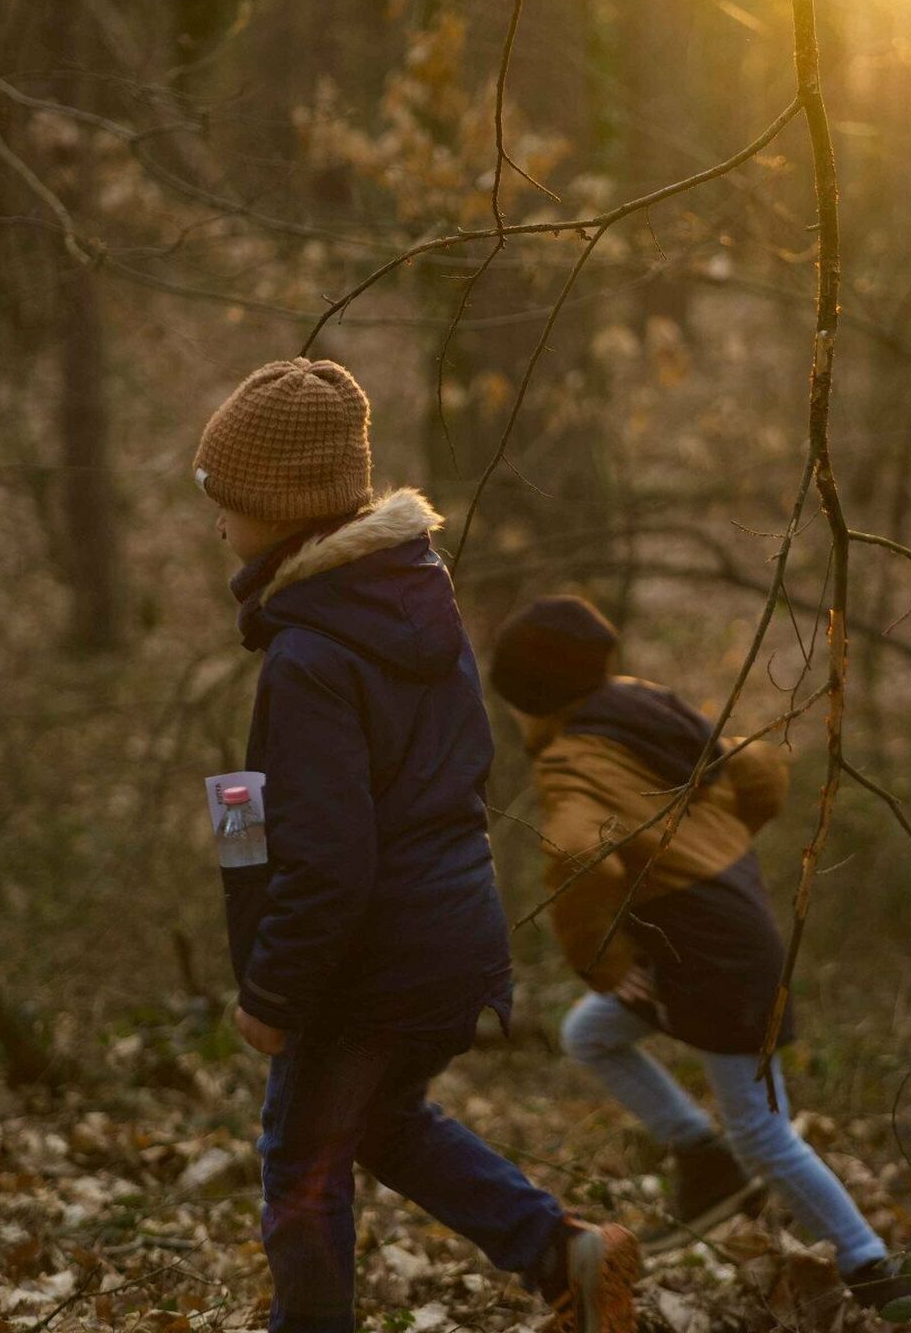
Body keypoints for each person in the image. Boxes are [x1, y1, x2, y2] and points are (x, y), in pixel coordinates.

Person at [195, 358, 641, 1333]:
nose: (215, 514)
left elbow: (329, 860)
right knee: (384, 1123)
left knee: (299, 1172)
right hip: (453, 939)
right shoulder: (412, 605)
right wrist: (241, 817)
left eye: (222, 494)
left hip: (369, 963)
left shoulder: (312, 656)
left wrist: (271, 996)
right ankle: (559, 1249)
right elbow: (420, 791)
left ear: (281, 505)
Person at [488, 594, 911, 1309]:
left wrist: (601, 958)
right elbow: (759, 773)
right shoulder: (642, 702)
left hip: (708, 944)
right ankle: (700, 1155)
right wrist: (715, 844)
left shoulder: (569, 760)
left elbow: (577, 855)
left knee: (763, 1132)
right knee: (590, 1033)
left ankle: (875, 1273)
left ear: (526, 698)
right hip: (718, 924)